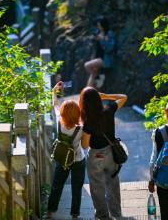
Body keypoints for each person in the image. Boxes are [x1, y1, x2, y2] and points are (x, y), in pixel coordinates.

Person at [79, 87, 127, 220]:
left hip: (95, 156)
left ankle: (103, 215)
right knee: (113, 185)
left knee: (97, 187)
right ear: (97, 99)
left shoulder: (88, 122)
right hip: (111, 153)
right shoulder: (109, 110)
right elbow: (123, 97)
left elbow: (84, 145)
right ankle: (116, 214)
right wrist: (106, 95)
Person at [46, 81, 86, 220]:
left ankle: (50, 213)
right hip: (78, 160)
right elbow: (85, 146)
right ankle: (75, 215)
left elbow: (55, 104)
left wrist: (54, 91)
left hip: (62, 158)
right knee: (76, 188)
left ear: (63, 113)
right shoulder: (81, 128)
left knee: (57, 185)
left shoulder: (59, 121)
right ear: (77, 113)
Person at [85, 17, 116, 89]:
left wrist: (102, 40)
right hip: (97, 56)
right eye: (98, 26)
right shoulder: (98, 32)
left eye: (100, 26)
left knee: (87, 65)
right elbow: (94, 41)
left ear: (104, 25)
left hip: (105, 59)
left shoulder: (109, 34)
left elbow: (109, 48)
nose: (98, 27)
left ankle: (99, 76)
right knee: (92, 76)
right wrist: (95, 38)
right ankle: (90, 94)